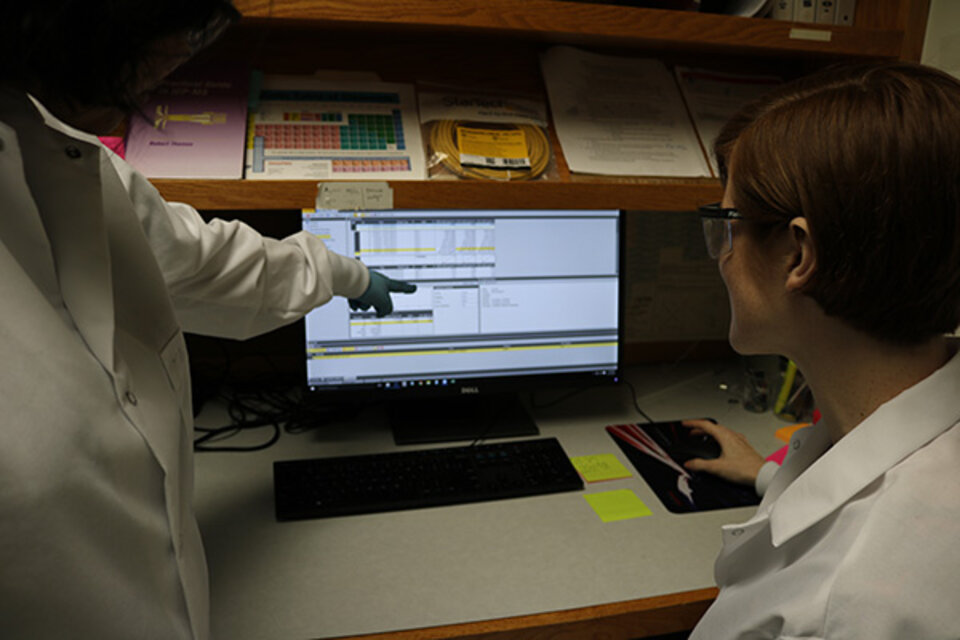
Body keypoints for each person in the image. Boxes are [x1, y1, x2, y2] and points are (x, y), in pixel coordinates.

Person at [0, 2, 415, 638]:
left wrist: (350, 276)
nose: (179, 61)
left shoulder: (62, 157)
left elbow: (200, 262)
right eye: (193, 32)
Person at [676, 61, 960, 639]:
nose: (721, 254)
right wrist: (771, 476)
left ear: (798, 255)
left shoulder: (847, 605)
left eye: (727, 223)